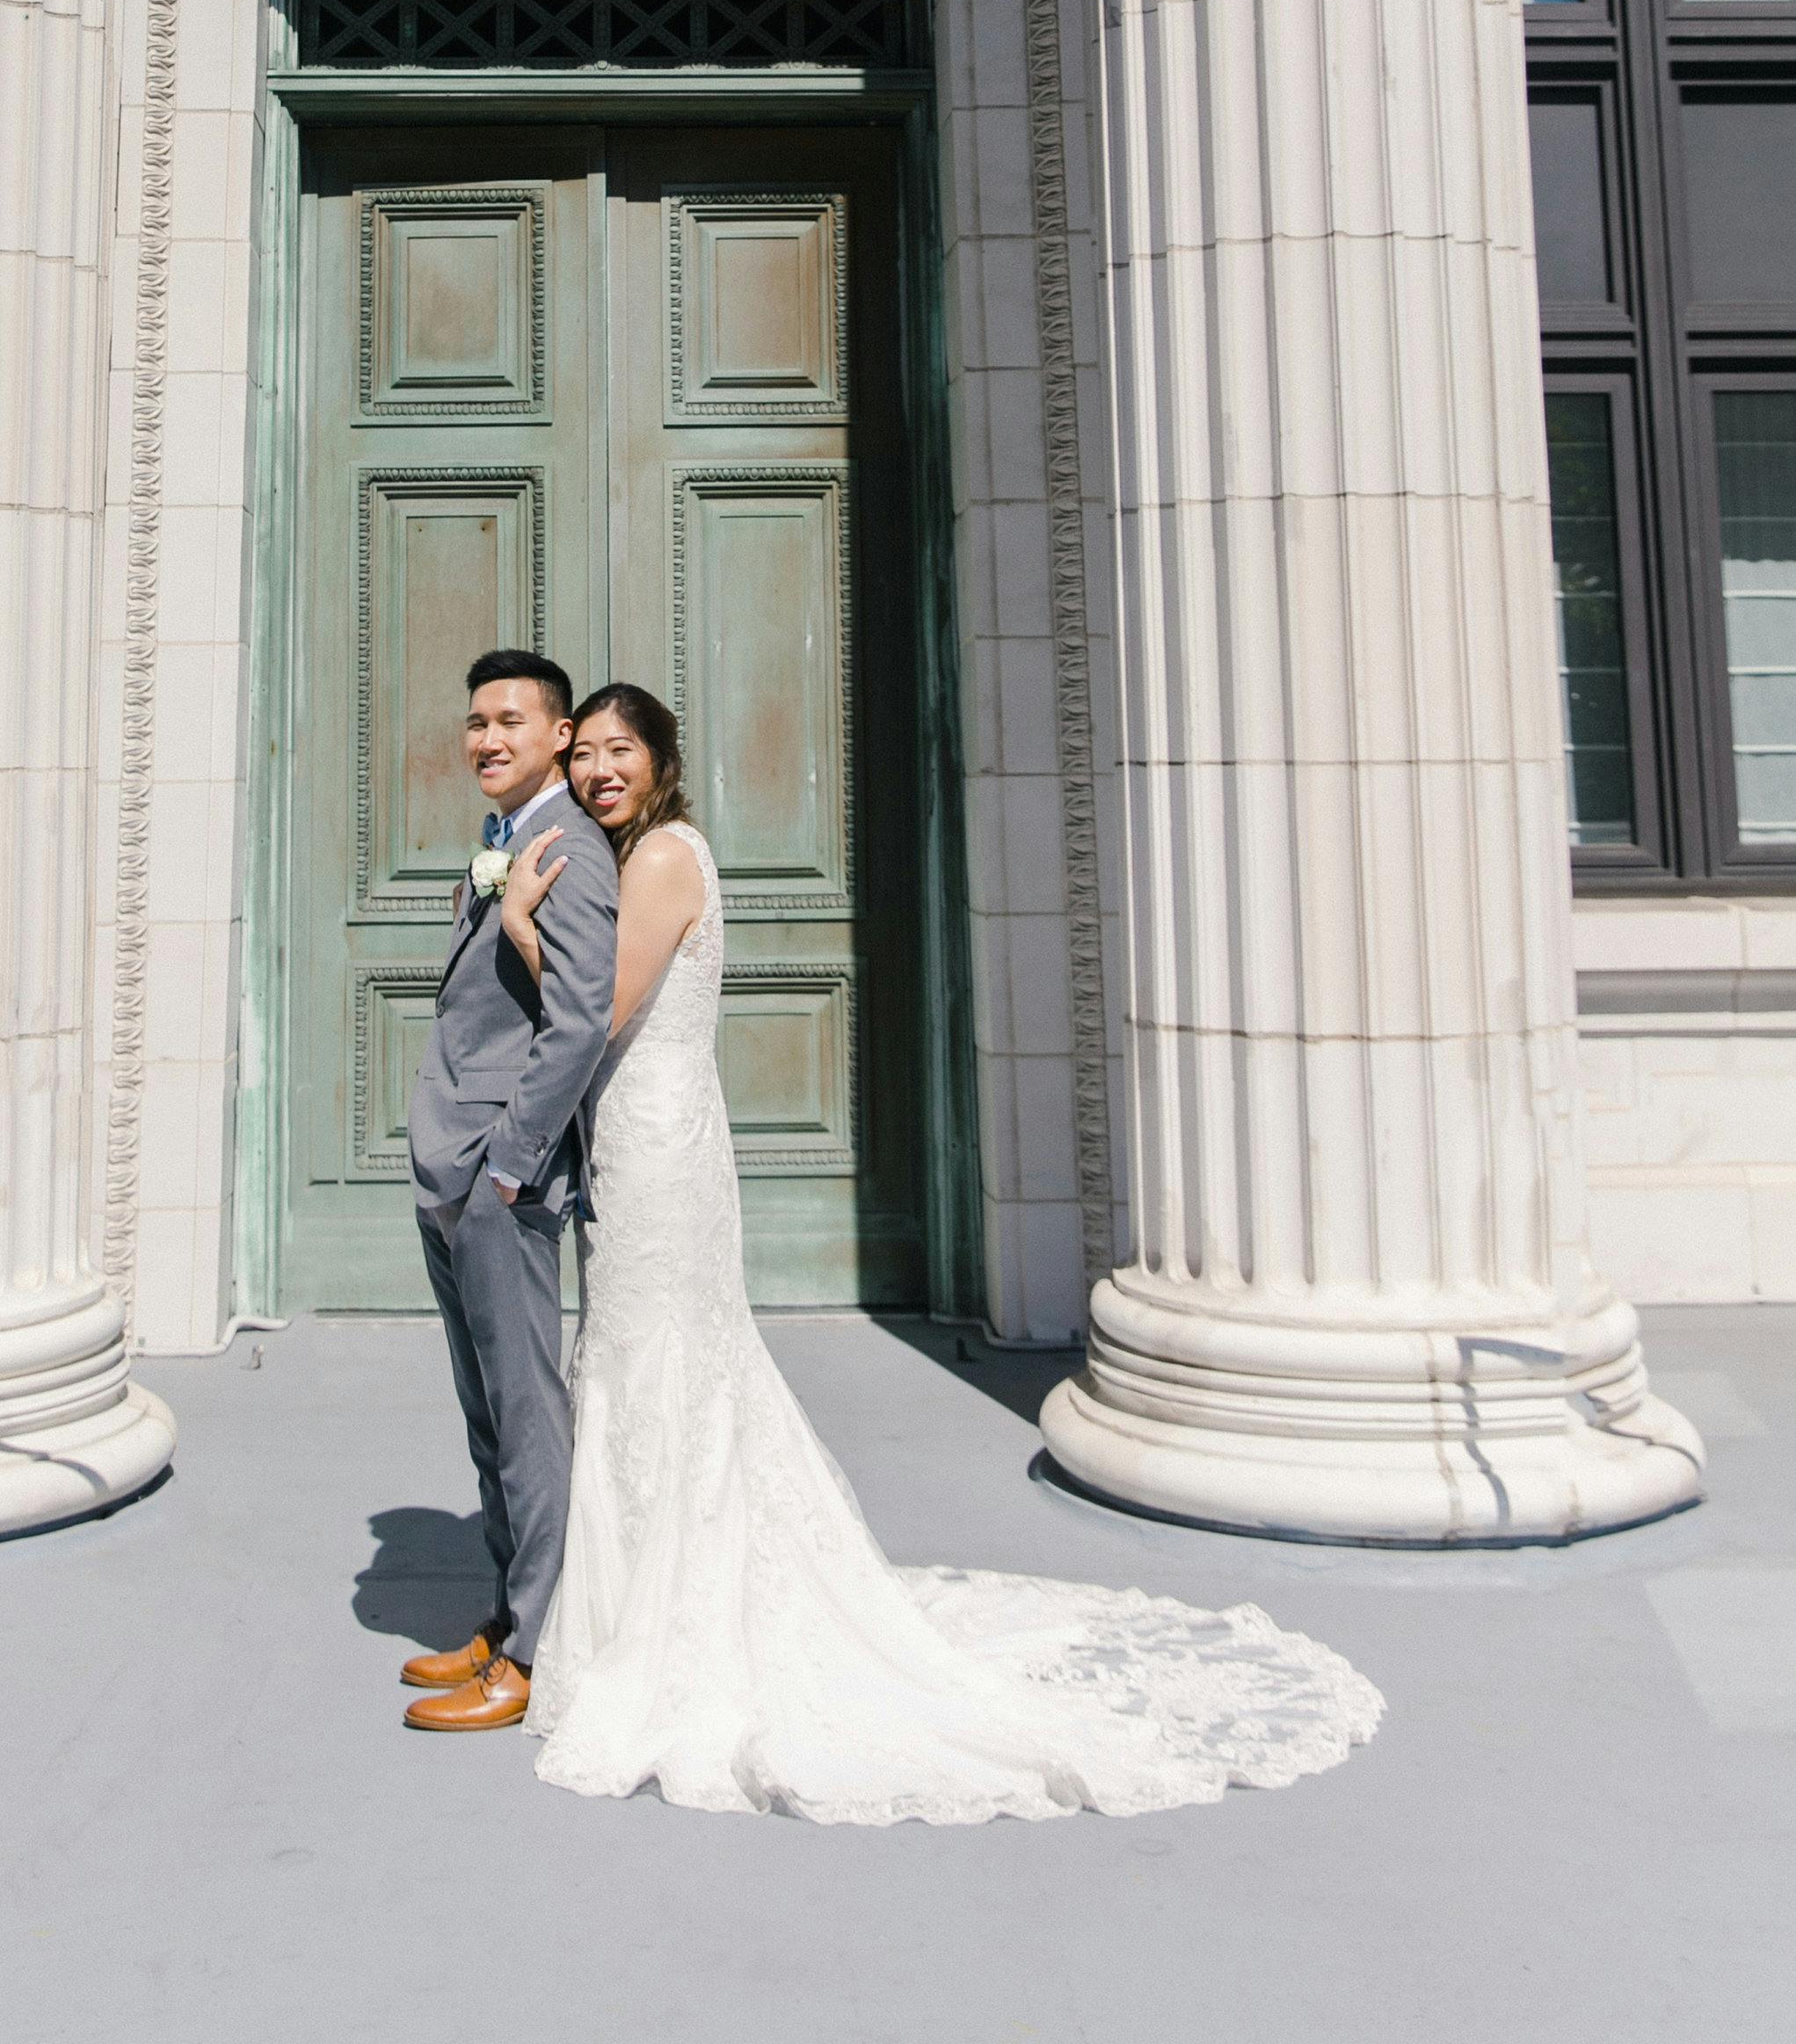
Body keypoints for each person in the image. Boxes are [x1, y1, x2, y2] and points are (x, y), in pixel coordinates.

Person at [491, 680, 1385, 1823]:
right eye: (586, 757)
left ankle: (672, 1618)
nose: (596, 771)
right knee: (639, 1356)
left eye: (621, 751)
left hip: (659, 1145)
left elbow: (599, 1008)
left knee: (661, 1355)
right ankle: (631, 1607)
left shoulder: (663, 858)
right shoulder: (630, 857)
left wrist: (520, 923)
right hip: (630, 1135)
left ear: (661, 760)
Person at [399, 650, 619, 1737]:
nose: (486, 738)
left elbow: (578, 1018)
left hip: (501, 1173)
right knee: (486, 1413)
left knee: (527, 1414)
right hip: (453, 1162)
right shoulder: (503, 841)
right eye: (474, 720)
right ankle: (504, 1614)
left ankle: (539, 1648)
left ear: (560, 734)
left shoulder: (569, 845)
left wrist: (509, 1164)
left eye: (510, 721)